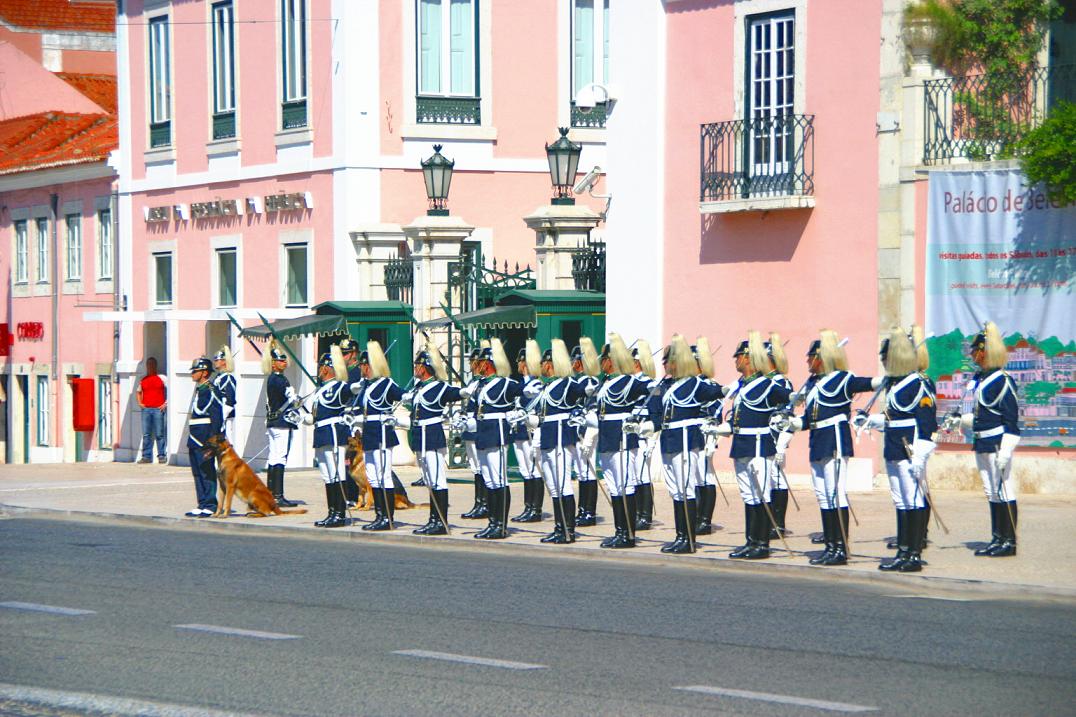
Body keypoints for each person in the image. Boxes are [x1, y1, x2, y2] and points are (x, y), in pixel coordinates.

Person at [781, 330, 875, 566]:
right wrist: (793, 424)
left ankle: (840, 548)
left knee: (835, 493)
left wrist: (891, 377)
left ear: (821, 357)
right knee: (823, 495)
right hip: (817, 440)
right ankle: (830, 544)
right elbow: (811, 417)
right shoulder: (814, 382)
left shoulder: (843, 378)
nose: (807, 361)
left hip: (834, 440)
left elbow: (867, 383)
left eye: (810, 356)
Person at [855, 327, 937, 573]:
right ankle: (903, 550)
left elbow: (927, 422)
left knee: (912, 500)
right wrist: (870, 421)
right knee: (900, 500)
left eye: (885, 356)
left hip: (909, 449)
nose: (882, 360)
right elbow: (893, 418)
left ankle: (913, 553)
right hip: (893, 446)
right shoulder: (895, 383)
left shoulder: (919, 383)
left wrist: (921, 454)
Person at [719, 331, 790, 560]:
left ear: (748, 358)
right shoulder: (742, 386)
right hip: (742, 444)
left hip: (760, 445)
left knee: (761, 494)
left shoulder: (766, 384)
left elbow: (790, 398)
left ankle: (762, 544)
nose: (736, 360)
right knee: (749, 495)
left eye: (738, 356)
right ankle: (751, 541)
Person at [956, 322, 1020, 557]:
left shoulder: (1002, 380)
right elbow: (983, 414)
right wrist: (962, 420)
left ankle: (1009, 541)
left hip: (997, 443)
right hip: (982, 441)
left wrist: (1006, 450)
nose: (972, 354)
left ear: (985, 351)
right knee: (991, 491)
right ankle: (997, 537)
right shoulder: (981, 379)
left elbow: (1011, 420)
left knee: (1004, 490)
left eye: (976, 350)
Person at [657, 334, 724, 555]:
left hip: (686, 440)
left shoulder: (695, 383)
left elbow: (718, 393)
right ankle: (680, 535)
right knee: (676, 491)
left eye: (670, 360)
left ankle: (689, 539)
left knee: (686, 490)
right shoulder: (670, 385)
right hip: (670, 440)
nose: (667, 365)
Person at [462, 338, 522, 540]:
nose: (477, 366)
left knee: (499, 479)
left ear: (488, 364)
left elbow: (526, 394)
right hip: (482, 434)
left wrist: (519, 412)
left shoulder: (505, 384)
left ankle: (501, 525)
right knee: (489, 480)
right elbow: (472, 410)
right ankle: (492, 522)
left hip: (497, 434)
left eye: (480, 362)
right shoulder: (479, 386)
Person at [594, 333, 650, 548]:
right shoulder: (606, 383)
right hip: (608, 440)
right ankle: (620, 531)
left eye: (604, 358)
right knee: (615, 488)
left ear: (612, 360)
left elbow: (654, 393)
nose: (601, 362)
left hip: (622, 439)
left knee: (626, 487)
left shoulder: (629, 382)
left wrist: (647, 423)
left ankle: (628, 534)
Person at [534, 340, 588, 544]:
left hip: (561, 438)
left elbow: (588, 393)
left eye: (543, 364)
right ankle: (559, 527)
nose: (541, 367)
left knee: (563, 484)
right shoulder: (547, 387)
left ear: (551, 364)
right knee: (554, 486)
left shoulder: (567, 384)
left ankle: (568, 530)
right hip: (548, 437)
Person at [408, 341, 462, 536]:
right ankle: (433, 519)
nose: (415, 368)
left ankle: (441, 521)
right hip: (420, 435)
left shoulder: (439, 387)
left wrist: (467, 390)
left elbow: (456, 393)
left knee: (438, 479)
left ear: (425, 368)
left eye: (417, 365)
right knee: (430, 480)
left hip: (432, 435)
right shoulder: (418, 388)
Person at [352, 340, 404, 531]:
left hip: (383, 433)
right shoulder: (366, 386)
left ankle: (387, 517)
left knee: (383, 476)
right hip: (370, 433)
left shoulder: (386, 383)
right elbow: (361, 410)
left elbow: (401, 395)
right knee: (373, 476)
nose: (361, 369)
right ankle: (379, 515)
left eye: (363, 365)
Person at [303, 346, 350, 528]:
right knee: (328, 475)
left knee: (337, 472)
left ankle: (340, 513)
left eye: (321, 366)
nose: (319, 370)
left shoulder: (339, 386)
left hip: (333, 433)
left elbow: (350, 391)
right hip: (321, 433)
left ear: (327, 368)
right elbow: (315, 415)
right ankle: (332, 512)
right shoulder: (319, 390)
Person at [510, 341, 545, 523]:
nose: (518, 365)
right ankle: (528, 506)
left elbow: (539, 408)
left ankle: (536, 509)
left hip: (531, 430)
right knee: (525, 470)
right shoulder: (519, 384)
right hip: (519, 431)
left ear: (525, 363)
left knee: (534, 470)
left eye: (520, 362)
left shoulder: (537, 385)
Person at [693, 336, 724, 536]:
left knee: (706, 475)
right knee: (695, 476)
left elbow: (717, 412)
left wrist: (712, 438)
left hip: (706, 433)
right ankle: (696, 516)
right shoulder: (690, 383)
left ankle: (705, 520)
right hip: (692, 433)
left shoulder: (710, 384)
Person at [263, 341, 300, 507]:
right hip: (281, 423)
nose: (284, 362)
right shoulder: (280, 380)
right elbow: (289, 399)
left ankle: (271, 494)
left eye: (284, 360)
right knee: (280, 458)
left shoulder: (272, 378)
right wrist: (293, 397)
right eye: (280, 360)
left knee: (274, 457)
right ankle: (278, 496)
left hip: (273, 422)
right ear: (273, 363)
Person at [185, 357, 223, 517]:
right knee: (197, 472)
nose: (192, 374)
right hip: (194, 437)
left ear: (205, 373)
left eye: (195, 371)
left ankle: (210, 504)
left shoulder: (211, 390)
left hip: (205, 439)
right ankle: (201, 502)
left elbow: (216, 418)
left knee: (207, 472)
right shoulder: (200, 390)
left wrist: (213, 443)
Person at [766, 332, 795, 538]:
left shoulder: (782, 383)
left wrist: (782, 443)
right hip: (763, 433)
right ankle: (769, 523)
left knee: (777, 479)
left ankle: (778, 524)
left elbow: (788, 414)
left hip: (777, 434)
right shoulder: (764, 382)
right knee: (768, 479)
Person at [570, 338, 601, 526]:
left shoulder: (591, 382)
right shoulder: (577, 381)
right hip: (577, 429)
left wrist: (590, 436)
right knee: (581, 471)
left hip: (588, 430)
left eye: (575, 361)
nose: (572, 364)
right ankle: (582, 510)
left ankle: (589, 512)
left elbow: (593, 409)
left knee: (588, 471)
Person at [631, 340, 660, 531]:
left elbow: (657, 414)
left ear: (638, 363)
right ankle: (636, 513)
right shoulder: (631, 383)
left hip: (645, 435)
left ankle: (645, 515)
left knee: (642, 476)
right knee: (634, 476)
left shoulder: (650, 384)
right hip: (633, 434)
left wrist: (652, 439)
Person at [459, 347, 489, 520]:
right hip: (470, 429)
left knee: (481, 468)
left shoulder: (481, 384)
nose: (471, 365)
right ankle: (479, 502)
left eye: (473, 362)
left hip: (478, 429)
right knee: (476, 469)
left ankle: (484, 504)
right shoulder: (474, 382)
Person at [338, 337, 364, 505]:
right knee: (345, 458)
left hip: (356, 418)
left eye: (346, 353)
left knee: (356, 456)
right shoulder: (342, 373)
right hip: (344, 418)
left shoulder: (359, 372)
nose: (343, 357)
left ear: (354, 354)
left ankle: (356, 495)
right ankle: (348, 495)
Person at [137, 357, 167, 464]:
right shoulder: (143, 379)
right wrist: (140, 403)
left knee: (159, 434)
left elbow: (170, 389)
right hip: (146, 409)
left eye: (152, 364)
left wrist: (165, 403)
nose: (150, 367)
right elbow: (139, 392)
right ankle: (146, 456)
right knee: (146, 434)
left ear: (155, 365)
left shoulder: (162, 378)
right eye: (148, 365)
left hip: (158, 409)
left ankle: (162, 455)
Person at [211, 346, 237, 443]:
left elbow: (230, 400)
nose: (215, 362)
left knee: (226, 441)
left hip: (225, 415)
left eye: (217, 360)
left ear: (224, 362)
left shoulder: (228, 378)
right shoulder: (219, 377)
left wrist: (221, 417)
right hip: (217, 414)